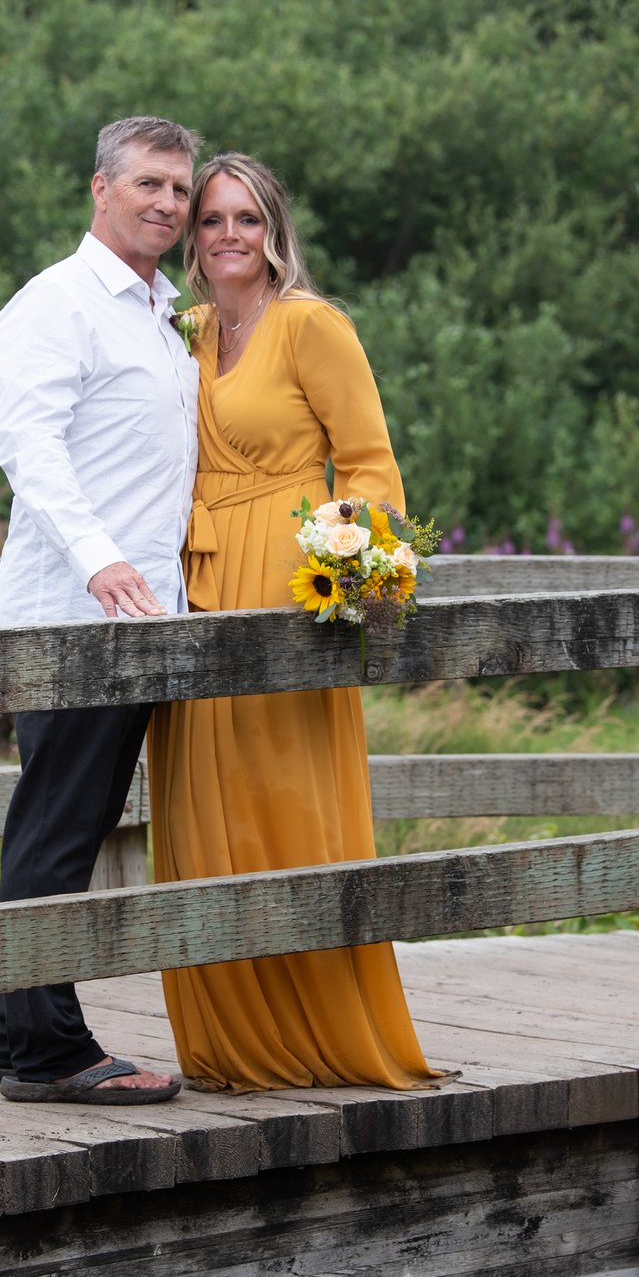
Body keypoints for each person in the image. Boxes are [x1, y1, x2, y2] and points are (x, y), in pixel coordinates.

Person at [145, 153, 440, 1091]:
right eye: (211, 220)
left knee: (286, 799)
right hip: (195, 580)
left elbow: (370, 463)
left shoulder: (311, 325)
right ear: (192, 238)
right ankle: (233, 1039)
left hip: (285, 580)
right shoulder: (180, 331)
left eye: (246, 218)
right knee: (201, 806)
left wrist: (349, 566)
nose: (228, 235)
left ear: (275, 230)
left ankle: (322, 1027)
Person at [0, 116, 200, 1105]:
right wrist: (100, 558)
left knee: (79, 819)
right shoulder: (56, 304)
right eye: (147, 183)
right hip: (72, 614)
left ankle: (22, 1032)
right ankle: (46, 1051)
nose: (164, 203)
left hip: (142, 620)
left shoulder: (159, 311)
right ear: (100, 189)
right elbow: (30, 449)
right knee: (58, 825)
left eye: (177, 190)